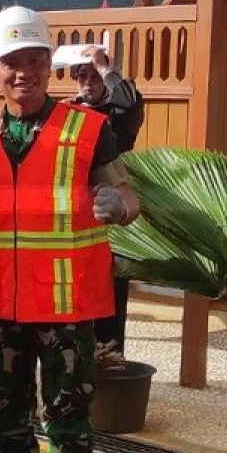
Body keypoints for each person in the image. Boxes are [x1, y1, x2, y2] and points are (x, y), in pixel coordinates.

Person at [0, 6, 139, 453]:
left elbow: (128, 196)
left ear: (49, 66)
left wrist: (119, 205)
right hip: (1, 307)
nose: (23, 73)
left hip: (65, 310)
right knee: (7, 412)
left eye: (34, 61)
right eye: (11, 62)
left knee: (68, 418)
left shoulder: (89, 131)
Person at [72, 46, 145, 356]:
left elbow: (130, 103)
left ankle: (111, 364)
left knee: (111, 298)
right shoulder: (70, 112)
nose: (88, 84)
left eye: (94, 77)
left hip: (113, 213)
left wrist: (106, 69)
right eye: (82, 76)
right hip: (77, 221)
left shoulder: (117, 114)